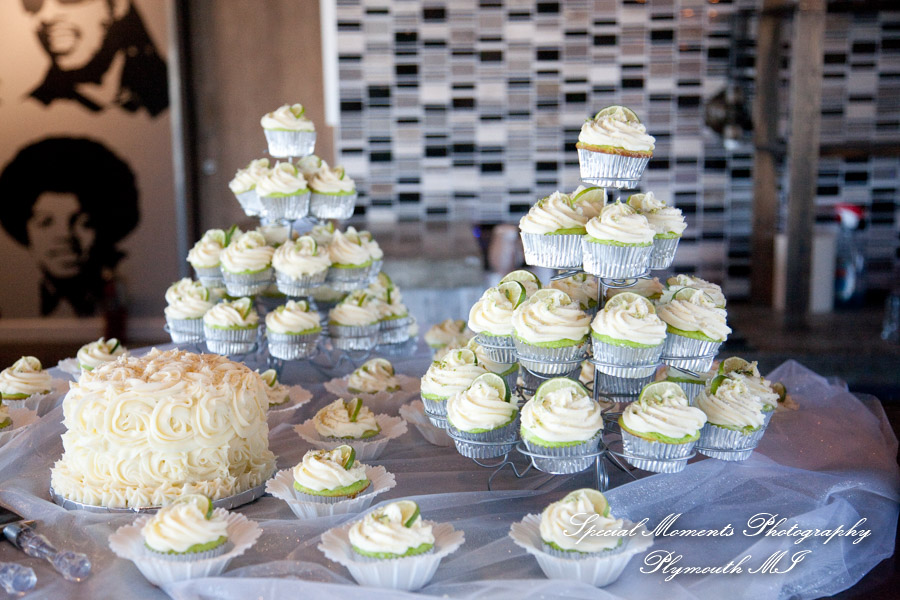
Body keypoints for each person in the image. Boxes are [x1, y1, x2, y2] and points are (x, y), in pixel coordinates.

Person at [0, 137, 140, 317]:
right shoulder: (13, 304)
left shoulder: (116, 293)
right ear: (23, 227)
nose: (64, 236)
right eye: (45, 222)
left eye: (84, 223)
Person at [22, 0, 168, 116]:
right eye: (33, 4)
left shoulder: (168, 88)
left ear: (117, 5)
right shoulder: (36, 107)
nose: (47, 16)